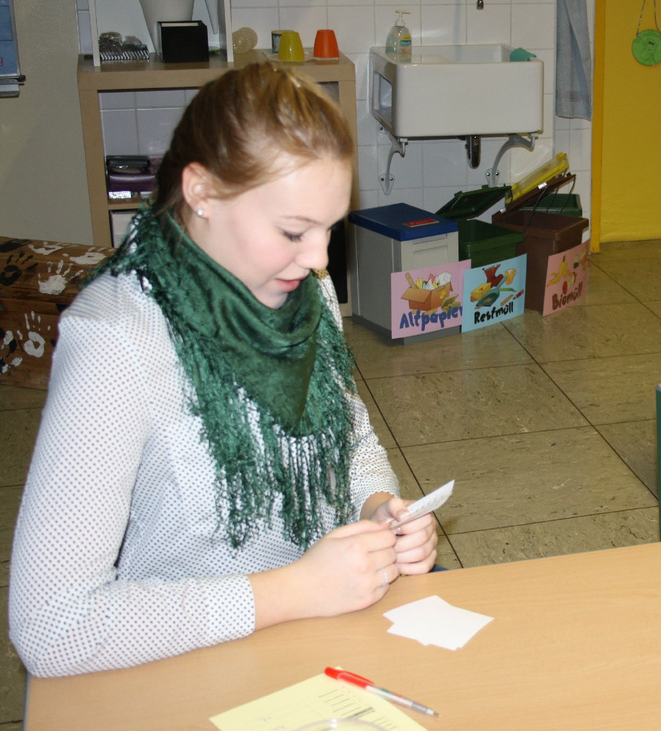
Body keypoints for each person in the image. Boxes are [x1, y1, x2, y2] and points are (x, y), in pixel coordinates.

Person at [9, 63, 437, 678]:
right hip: (187, 661)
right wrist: (295, 591)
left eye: (329, 229)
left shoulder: (303, 288)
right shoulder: (116, 339)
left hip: (321, 633)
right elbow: (52, 626)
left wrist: (377, 509)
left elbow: (351, 439)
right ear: (202, 192)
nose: (320, 258)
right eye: (293, 231)